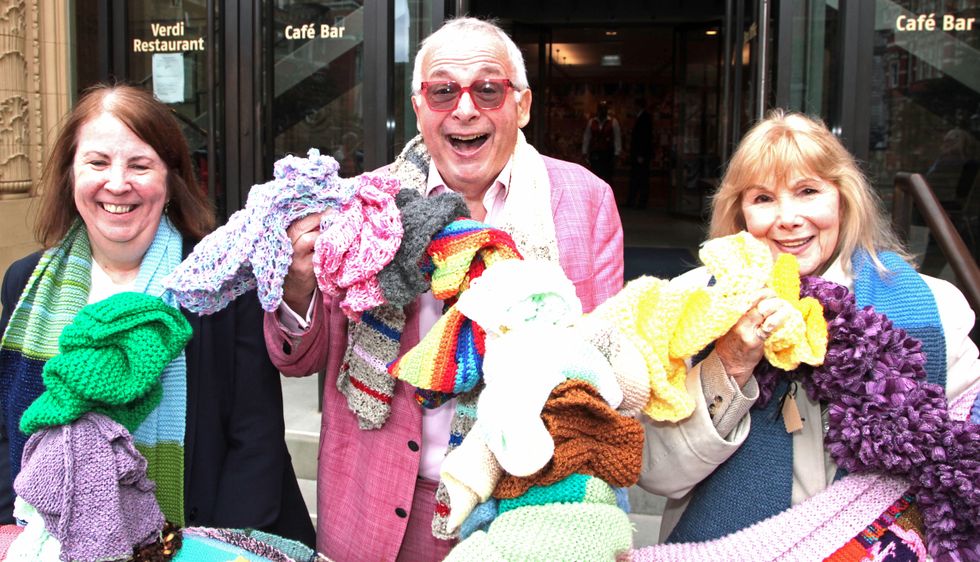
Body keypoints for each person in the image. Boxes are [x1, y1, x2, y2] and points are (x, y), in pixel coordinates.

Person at [264, 17, 624, 561]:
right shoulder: (369, 203)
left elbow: (607, 374)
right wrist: (296, 283)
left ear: (522, 105)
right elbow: (300, 358)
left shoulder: (585, 201)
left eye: (487, 88)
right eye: (443, 90)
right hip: (378, 509)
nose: (464, 108)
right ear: (419, 108)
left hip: (523, 510)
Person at [636, 110, 979, 556]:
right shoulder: (688, 306)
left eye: (807, 191)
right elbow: (657, 473)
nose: (788, 218)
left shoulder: (932, 306)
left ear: (842, 198)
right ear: (739, 210)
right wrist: (732, 362)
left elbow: (964, 451)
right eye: (763, 198)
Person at [0, 84, 315, 547]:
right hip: (52, 543)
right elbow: (9, 431)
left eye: (140, 164)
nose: (118, 183)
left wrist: (204, 552)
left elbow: (256, 443)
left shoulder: (219, 285)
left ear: (170, 178)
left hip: (200, 541)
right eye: (97, 162)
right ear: (71, 173)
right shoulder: (25, 283)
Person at [582, 100, 621, 185]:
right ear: (598, 110)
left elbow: (617, 138)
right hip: (595, 151)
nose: (602, 111)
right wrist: (584, 151)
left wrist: (617, 152)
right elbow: (587, 137)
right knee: (595, 174)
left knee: (607, 176)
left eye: (604, 109)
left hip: (608, 152)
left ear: (607, 110)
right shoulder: (592, 122)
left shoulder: (613, 122)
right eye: (601, 109)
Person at [626, 97, 653, 208]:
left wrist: (641, 154)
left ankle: (641, 201)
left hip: (641, 154)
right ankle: (633, 200)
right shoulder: (641, 117)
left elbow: (645, 137)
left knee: (641, 177)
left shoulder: (645, 118)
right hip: (638, 154)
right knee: (637, 177)